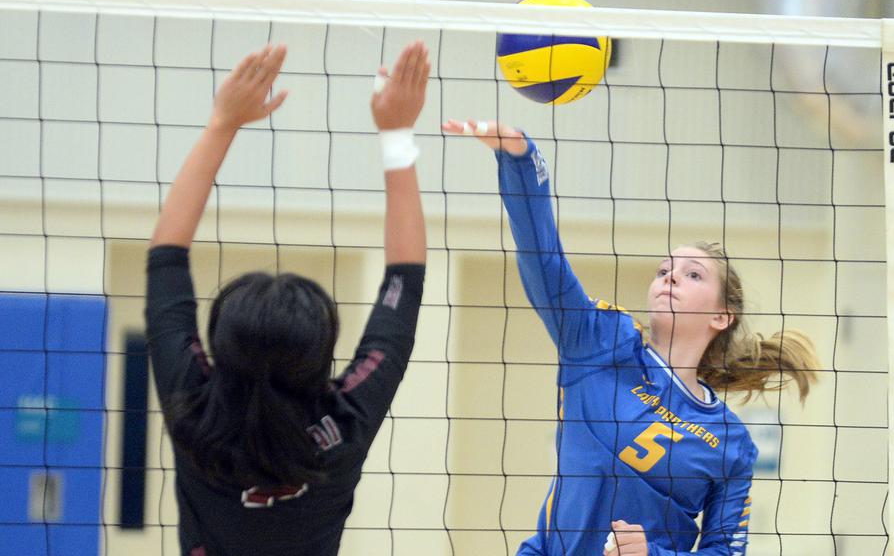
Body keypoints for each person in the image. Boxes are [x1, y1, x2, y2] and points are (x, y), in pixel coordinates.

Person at [442, 119, 819, 556]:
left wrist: (652, 555)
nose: (670, 277)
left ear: (721, 316)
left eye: (692, 274)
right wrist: (520, 161)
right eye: (663, 270)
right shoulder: (602, 344)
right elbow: (543, 261)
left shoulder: (731, 441)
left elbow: (725, 551)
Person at [145, 41, 430, 556]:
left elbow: (166, 256)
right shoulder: (342, 426)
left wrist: (222, 123)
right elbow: (403, 282)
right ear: (320, 355)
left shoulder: (192, 411)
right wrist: (396, 132)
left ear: (221, 346)